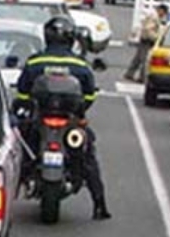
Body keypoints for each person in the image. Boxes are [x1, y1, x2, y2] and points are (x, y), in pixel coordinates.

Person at [15, 16, 111, 221]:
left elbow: (22, 94)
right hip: (69, 122)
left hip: (39, 120)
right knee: (87, 154)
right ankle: (99, 204)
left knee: (18, 149)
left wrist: (22, 109)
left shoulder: (35, 61)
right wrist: (79, 112)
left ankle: (12, 189)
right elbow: (89, 96)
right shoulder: (80, 64)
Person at [124, 4, 165, 82]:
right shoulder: (154, 17)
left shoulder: (152, 15)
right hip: (147, 40)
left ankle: (129, 73)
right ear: (161, 10)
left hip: (143, 39)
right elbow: (149, 30)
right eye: (163, 13)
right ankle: (142, 77)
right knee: (145, 60)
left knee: (138, 58)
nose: (163, 15)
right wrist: (156, 38)